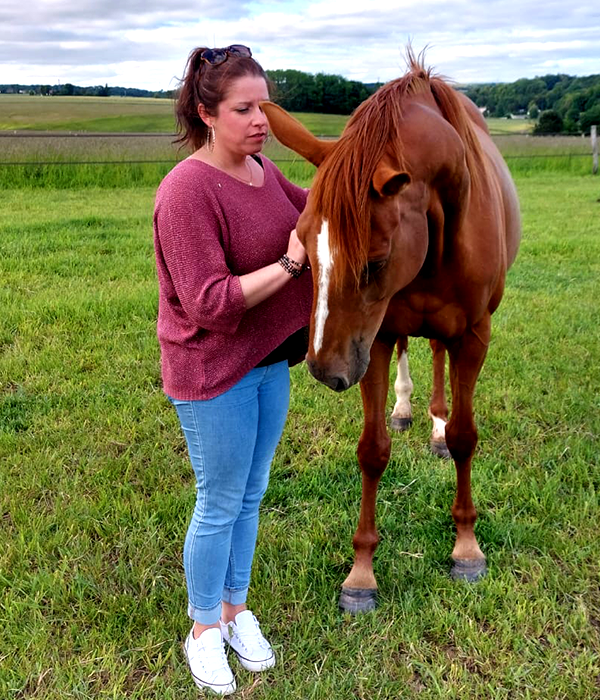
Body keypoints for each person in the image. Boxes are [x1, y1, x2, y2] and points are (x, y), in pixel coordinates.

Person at [152, 44, 312, 695]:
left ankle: (234, 608)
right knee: (218, 502)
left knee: (251, 493)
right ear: (206, 112)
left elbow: (318, 204)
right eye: (244, 109)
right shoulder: (187, 191)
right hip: (213, 371)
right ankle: (201, 632)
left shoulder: (262, 169)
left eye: (264, 106)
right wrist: (292, 267)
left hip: (270, 361)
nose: (260, 121)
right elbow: (211, 303)